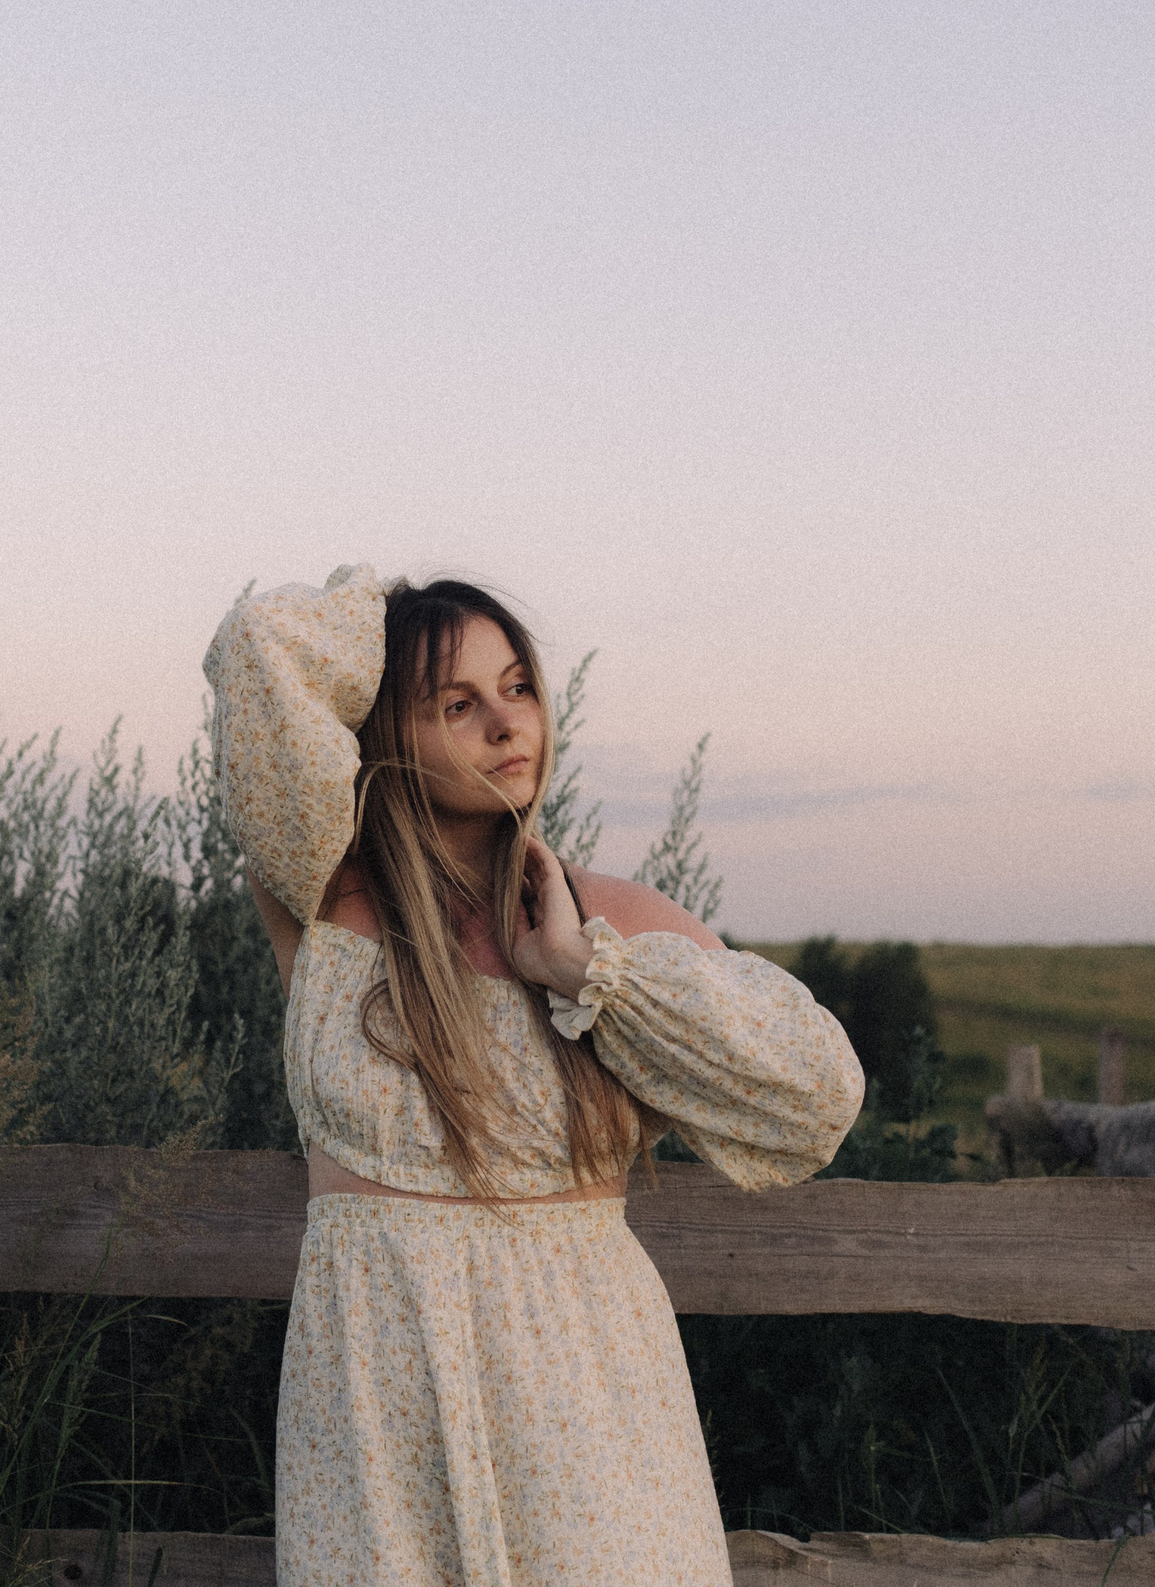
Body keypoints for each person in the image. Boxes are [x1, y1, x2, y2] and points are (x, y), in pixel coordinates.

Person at [204, 565, 866, 1587]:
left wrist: (582, 973)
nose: (507, 725)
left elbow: (815, 1098)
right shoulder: (325, 900)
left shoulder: (615, 921)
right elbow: (261, 646)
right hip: (374, 1400)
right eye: (455, 704)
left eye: (517, 689)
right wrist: (393, 610)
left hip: (586, 1398)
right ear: (391, 731)